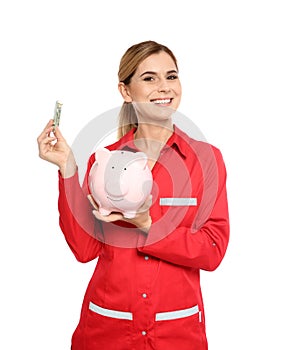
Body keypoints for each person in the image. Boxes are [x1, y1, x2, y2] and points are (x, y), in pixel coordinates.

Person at [37, 40, 229, 350]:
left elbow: (212, 249)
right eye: (149, 78)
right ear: (126, 91)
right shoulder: (106, 160)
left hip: (176, 333)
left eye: (171, 76)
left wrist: (148, 225)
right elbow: (84, 249)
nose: (163, 87)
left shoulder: (206, 160)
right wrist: (68, 169)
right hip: (107, 330)